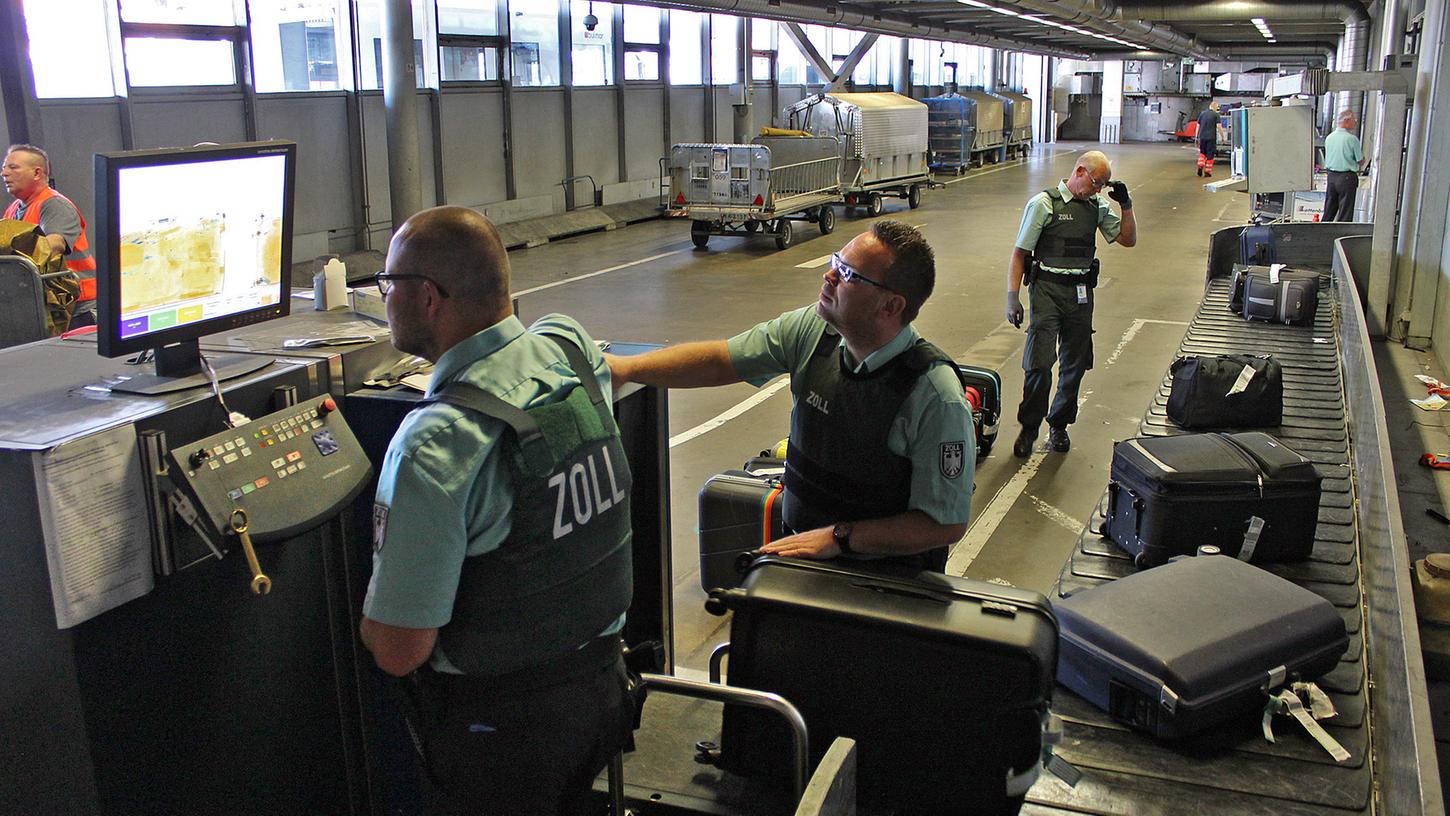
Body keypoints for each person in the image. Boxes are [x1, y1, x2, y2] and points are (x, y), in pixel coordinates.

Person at [359, 205, 633, 816]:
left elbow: (399, 650)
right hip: (601, 699)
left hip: (502, 739)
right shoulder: (570, 352)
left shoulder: (437, 442)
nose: (384, 299)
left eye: (388, 285)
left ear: (427, 297)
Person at [609, 220, 973, 569]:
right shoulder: (812, 332)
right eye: (835, 262)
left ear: (891, 306)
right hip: (801, 554)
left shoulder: (934, 396)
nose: (828, 276)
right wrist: (627, 369)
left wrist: (840, 537)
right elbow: (722, 360)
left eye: (847, 274)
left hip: (884, 581)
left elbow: (944, 524)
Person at [1006, 151, 1138, 457]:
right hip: (1047, 291)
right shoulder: (1044, 204)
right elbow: (1019, 253)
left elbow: (1128, 240)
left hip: (1080, 293)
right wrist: (1012, 298)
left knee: (1075, 363)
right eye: (1096, 183)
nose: (1098, 189)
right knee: (1039, 363)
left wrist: (1126, 205)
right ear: (1079, 171)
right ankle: (1029, 427)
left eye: (1103, 185)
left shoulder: (1097, 207)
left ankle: (1060, 424)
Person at [2, 144, 97, 323]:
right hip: (50, 307)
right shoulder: (13, 210)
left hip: (79, 308)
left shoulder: (54, 205)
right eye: (4, 168)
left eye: (13, 167)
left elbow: (54, 245)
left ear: (37, 173)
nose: (4, 173)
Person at [1322, 109, 1366, 222]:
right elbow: (1360, 160)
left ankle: (1320, 234)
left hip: (1331, 177)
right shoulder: (1352, 139)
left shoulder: (1329, 137)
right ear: (1346, 121)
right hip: (1346, 177)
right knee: (1345, 212)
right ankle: (1341, 236)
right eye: (1354, 120)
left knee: (1329, 209)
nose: (1356, 122)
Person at [1195, 102, 1222, 177]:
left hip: (1202, 137)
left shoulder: (1202, 113)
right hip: (1211, 138)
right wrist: (1223, 137)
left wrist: (1196, 136)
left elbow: (1198, 126)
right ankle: (1207, 171)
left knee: (1202, 152)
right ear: (1215, 108)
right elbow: (1219, 127)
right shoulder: (1216, 115)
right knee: (1210, 154)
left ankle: (1200, 165)